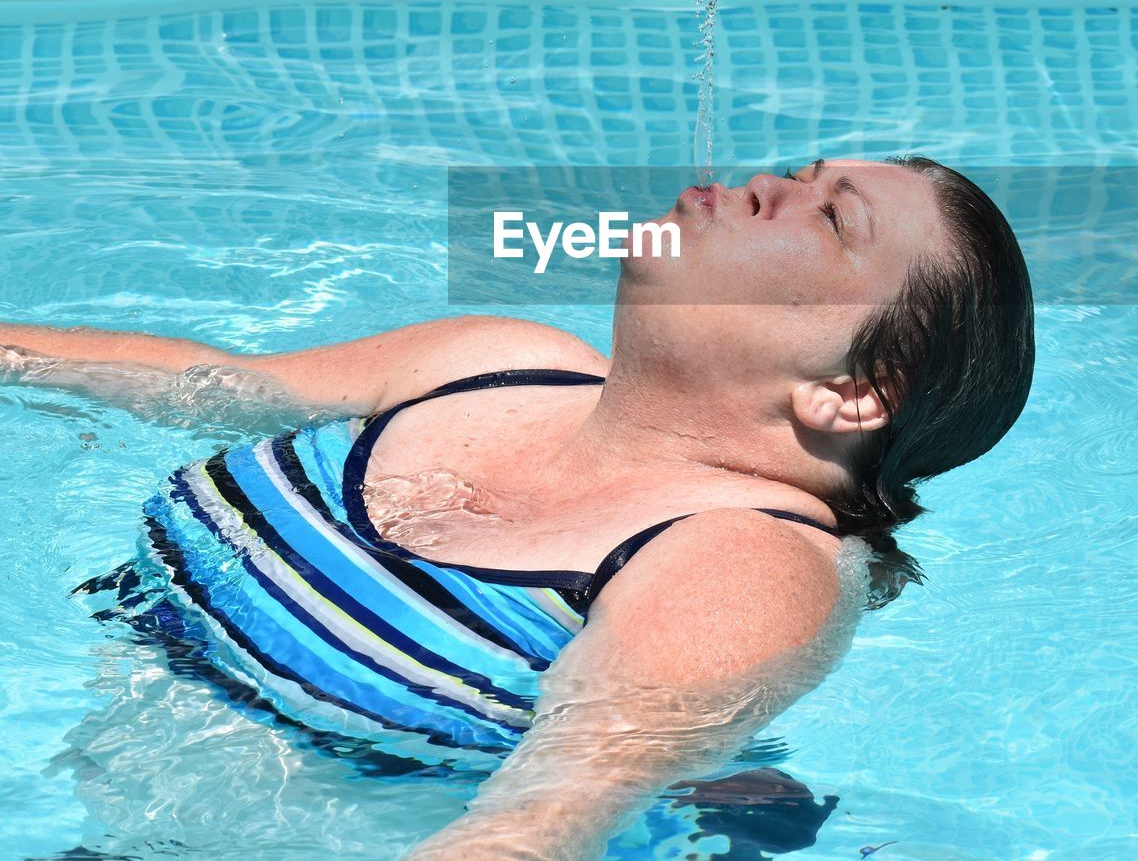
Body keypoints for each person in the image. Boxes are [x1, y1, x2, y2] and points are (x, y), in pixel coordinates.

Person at [2, 156, 1035, 859]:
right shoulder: (495, 361)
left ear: (849, 391)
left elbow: (536, 826)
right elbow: (208, 384)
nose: (767, 184)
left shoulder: (739, 563)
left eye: (827, 218)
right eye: (801, 172)